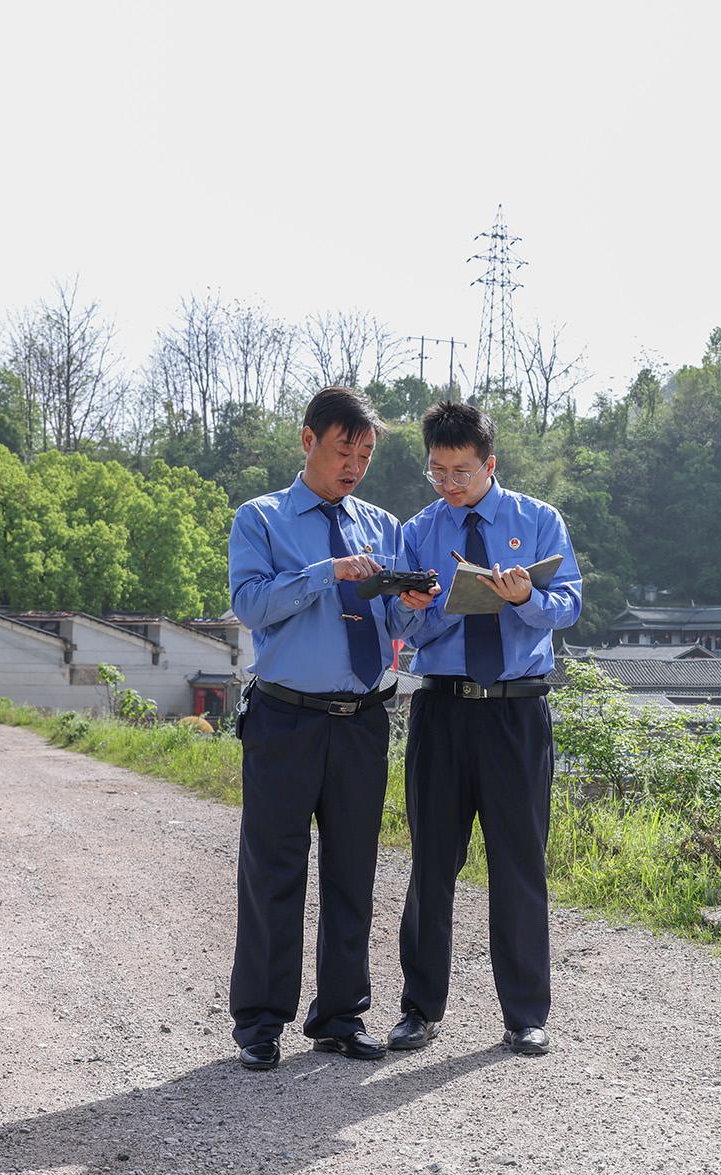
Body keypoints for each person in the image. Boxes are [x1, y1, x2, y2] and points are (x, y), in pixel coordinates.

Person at [388, 399, 582, 1056]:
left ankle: (525, 1014)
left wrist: (525, 597)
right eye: (437, 471)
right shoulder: (418, 531)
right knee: (432, 863)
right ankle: (420, 1009)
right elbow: (402, 626)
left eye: (461, 471)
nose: (449, 483)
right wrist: (426, 605)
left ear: (489, 464)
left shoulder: (538, 520)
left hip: (515, 710)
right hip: (441, 708)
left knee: (519, 863)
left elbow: (570, 602)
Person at [225, 386, 407, 1071]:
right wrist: (326, 572)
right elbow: (250, 605)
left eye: (365, 455)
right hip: (285, 718)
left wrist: (415, 602)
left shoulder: (383, 526)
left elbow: (397, 623)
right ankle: (260, 1021)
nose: (354, 466)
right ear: (308, 441)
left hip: (362, 720)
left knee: (353, 870)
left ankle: (340, 1016)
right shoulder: (261, 518)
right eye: (342, 451)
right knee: (273, 870)